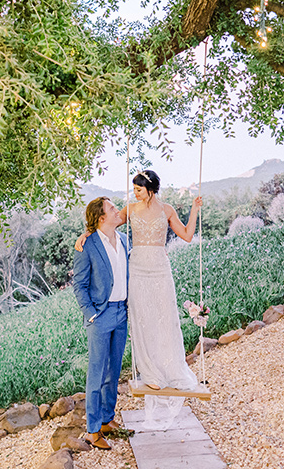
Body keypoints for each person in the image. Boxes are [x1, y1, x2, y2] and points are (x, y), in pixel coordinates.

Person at [75, 170, 202, 397]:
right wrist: (86, 234)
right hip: (138, 270)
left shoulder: (167, 210)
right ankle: (150, 373)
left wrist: (194, 210)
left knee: (165, 317)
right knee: (143, 319)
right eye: (133, 189)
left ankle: (170, 368)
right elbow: (105, 223)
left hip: (160, 269)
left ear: (151, 189)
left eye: (138, 189)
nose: (134, 193)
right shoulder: (131, 209)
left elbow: (187, 235)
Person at [72, 196, 130, 450]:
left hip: (122, 313)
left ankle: (107, 419)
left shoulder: (125, 240)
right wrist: (91, 313)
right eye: (112, 208)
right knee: (96, 374)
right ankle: (92, 431)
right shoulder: (87, 245)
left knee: (114, 371)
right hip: (101, 315)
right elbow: (80, 284)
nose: (118, 210)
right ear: (100, 217)